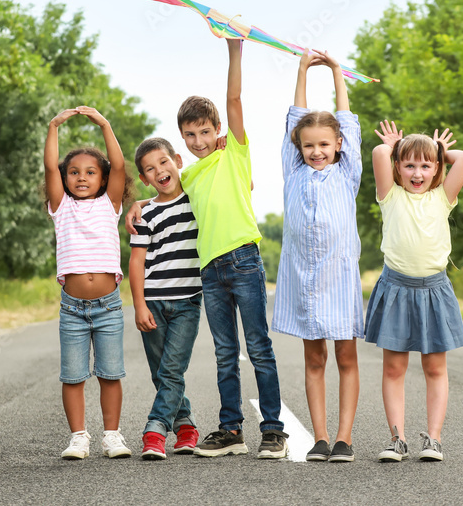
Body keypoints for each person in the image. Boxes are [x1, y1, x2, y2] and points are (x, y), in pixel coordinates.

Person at [127, 39, 288, 459]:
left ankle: (273, 430)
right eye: (190, 135)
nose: (199, 140)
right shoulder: (191, 174)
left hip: (244, 261)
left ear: (217, 131)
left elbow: (234, 99)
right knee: (224, 354)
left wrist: (235, 50)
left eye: (205, 132)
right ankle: (231, 429)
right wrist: (136, 203)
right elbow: (165, 194)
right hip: (209, 272)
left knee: (259, 348)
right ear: (182, 140)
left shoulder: (233, 151)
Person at [271, 50, 362, 463]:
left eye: (324, 144)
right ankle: (320, 438)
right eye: (309, 145)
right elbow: (295, 118)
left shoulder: (347, 172)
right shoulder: (294, 171)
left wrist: (337, 74)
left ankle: (343, 438)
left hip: (340, 276)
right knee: (314, 356)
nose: (317, 151)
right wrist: (303, 70)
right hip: (304, 278)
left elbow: (347, 119)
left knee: (345, 355)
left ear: (338, 144)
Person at [366, 120, 463, 463]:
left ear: (437, 168)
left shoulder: (443, 197)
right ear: (397, 167)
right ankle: (397, 438)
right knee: (394, 368)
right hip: (396, 288)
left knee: (435, 369)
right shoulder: (389, 195)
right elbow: (379, 151)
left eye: (426, 165)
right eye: (409, 164)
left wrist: (439, 150)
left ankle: (434, 439)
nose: (417, 172)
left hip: (433, 290)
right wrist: (395, 146)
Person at [45, 105, 135, 460]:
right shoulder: (61, 206)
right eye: (74, 172)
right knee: (73, 376)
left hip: (109, 306)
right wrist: (54, 126)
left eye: (91, 172)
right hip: (73, 308)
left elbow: (122, 165)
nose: (82, 177)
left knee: (110, 374)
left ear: (103, 178)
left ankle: (111, 435)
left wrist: (104, 124)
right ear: (65, 178)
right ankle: (78, 437)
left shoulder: (110, 204)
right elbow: (50, 165)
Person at [129, 137, 202, 460]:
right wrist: (139, 304)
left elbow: (244, 183)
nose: (159, 171)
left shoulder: (197, 198)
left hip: (188, 302)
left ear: (178, 160)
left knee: (171, 369)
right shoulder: (145, 215)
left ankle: (155, 430)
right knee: (162, 372)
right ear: (144, 179)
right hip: (153, 302)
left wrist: (222, 149)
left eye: (163, 162)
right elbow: (137, 261)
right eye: (149, 169)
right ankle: (185, 425)